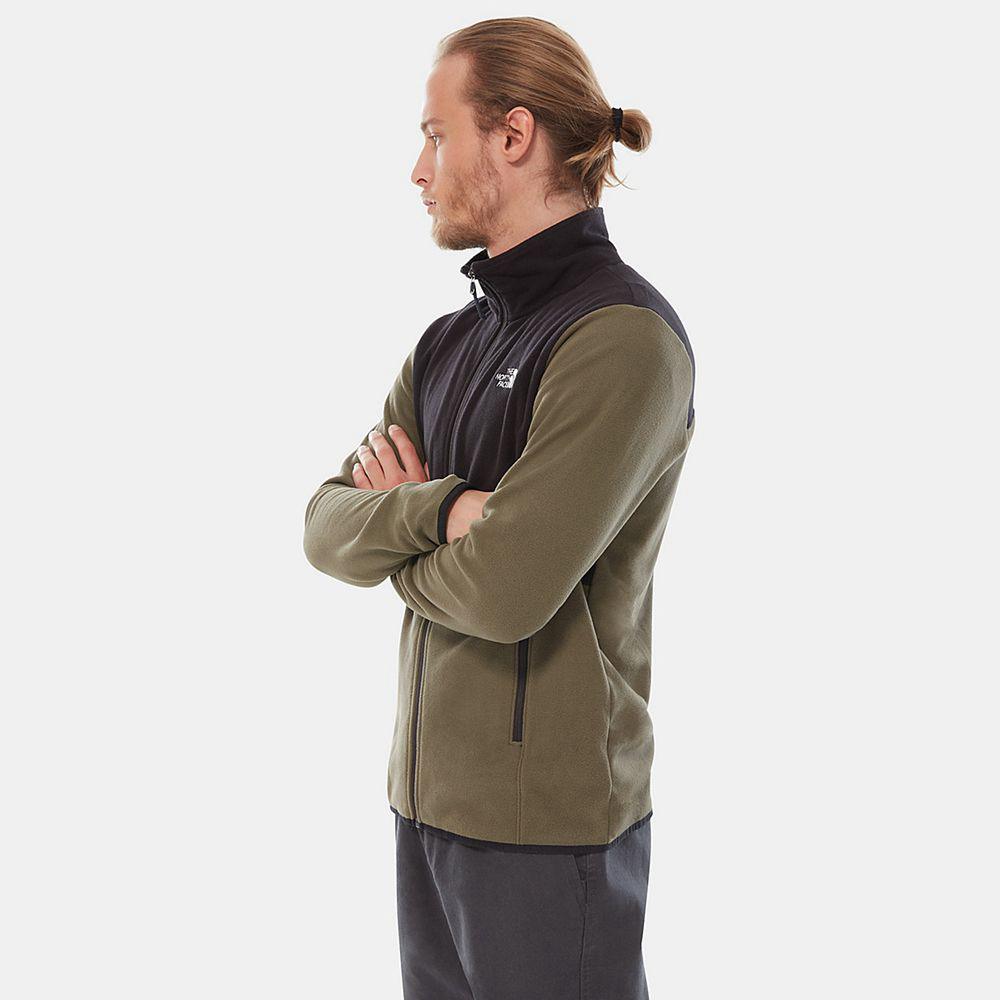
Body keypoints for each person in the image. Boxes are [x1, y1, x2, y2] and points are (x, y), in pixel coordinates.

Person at [303, 16, 696, 1000]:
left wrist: (402, 526)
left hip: (549, 831)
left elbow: (510, 589)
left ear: (513, 135)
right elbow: (323, 528)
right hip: (426, 810)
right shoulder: (447, 343)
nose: (417, 170)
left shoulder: (620, 339)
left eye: (436, 136)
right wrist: (444, 512)